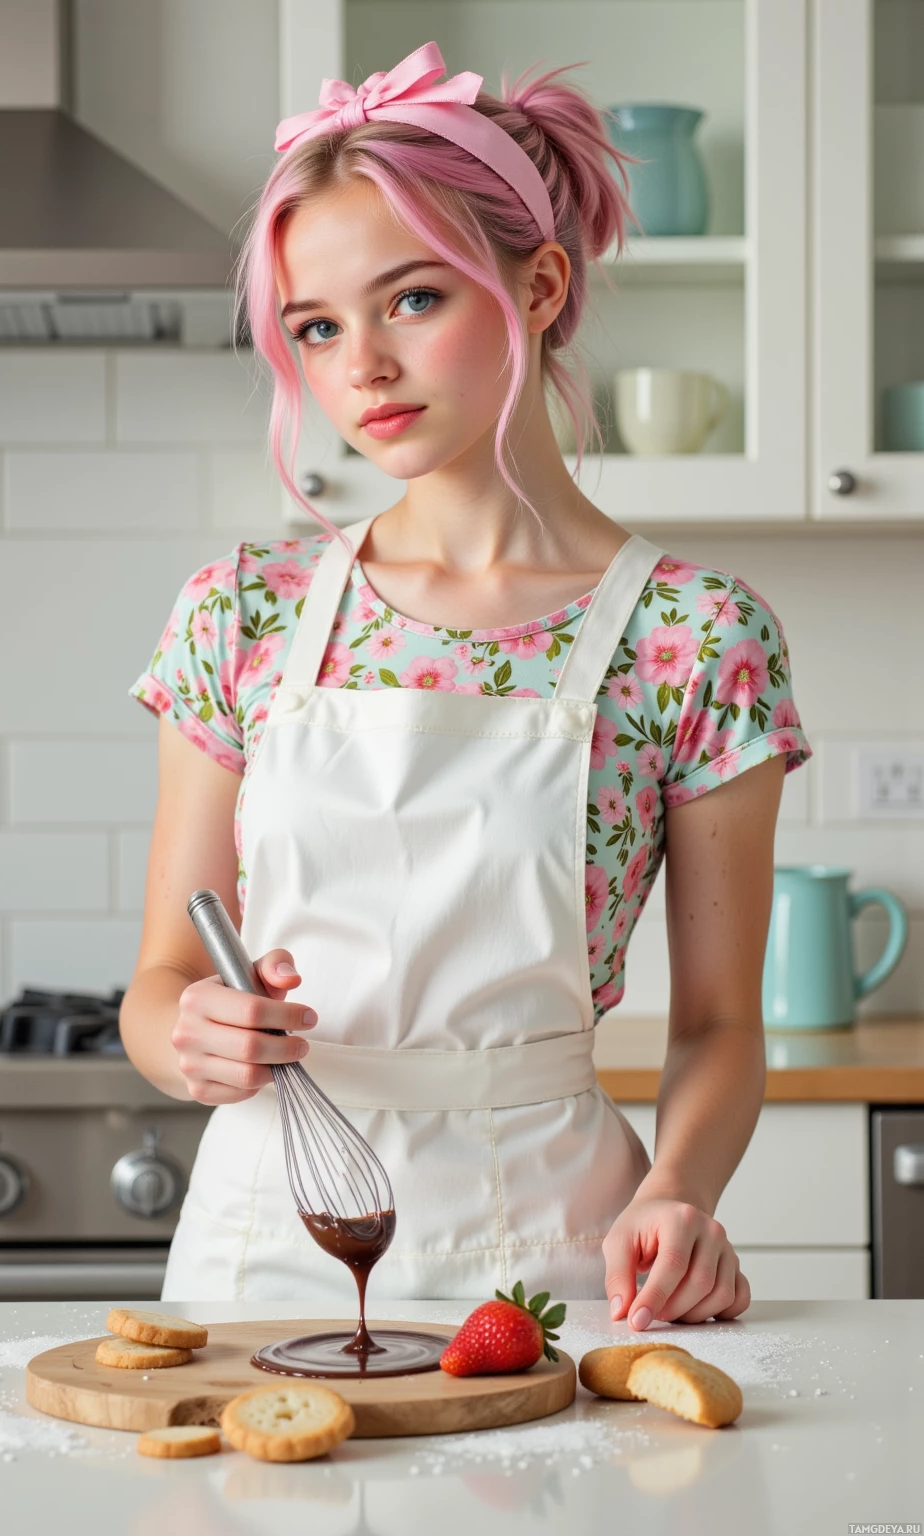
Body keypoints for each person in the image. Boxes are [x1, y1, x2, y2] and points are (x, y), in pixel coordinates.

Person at [123, 43, 811, 1330]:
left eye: (412, 301)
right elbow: (160, 983)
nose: (360, 368)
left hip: (551, 1249)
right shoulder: (244, 613)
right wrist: (194, 1037)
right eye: (316, 328)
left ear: (539, 283)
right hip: (259, 1245)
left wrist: (679, 1190)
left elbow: (718, 1024)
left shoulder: (693, 636)